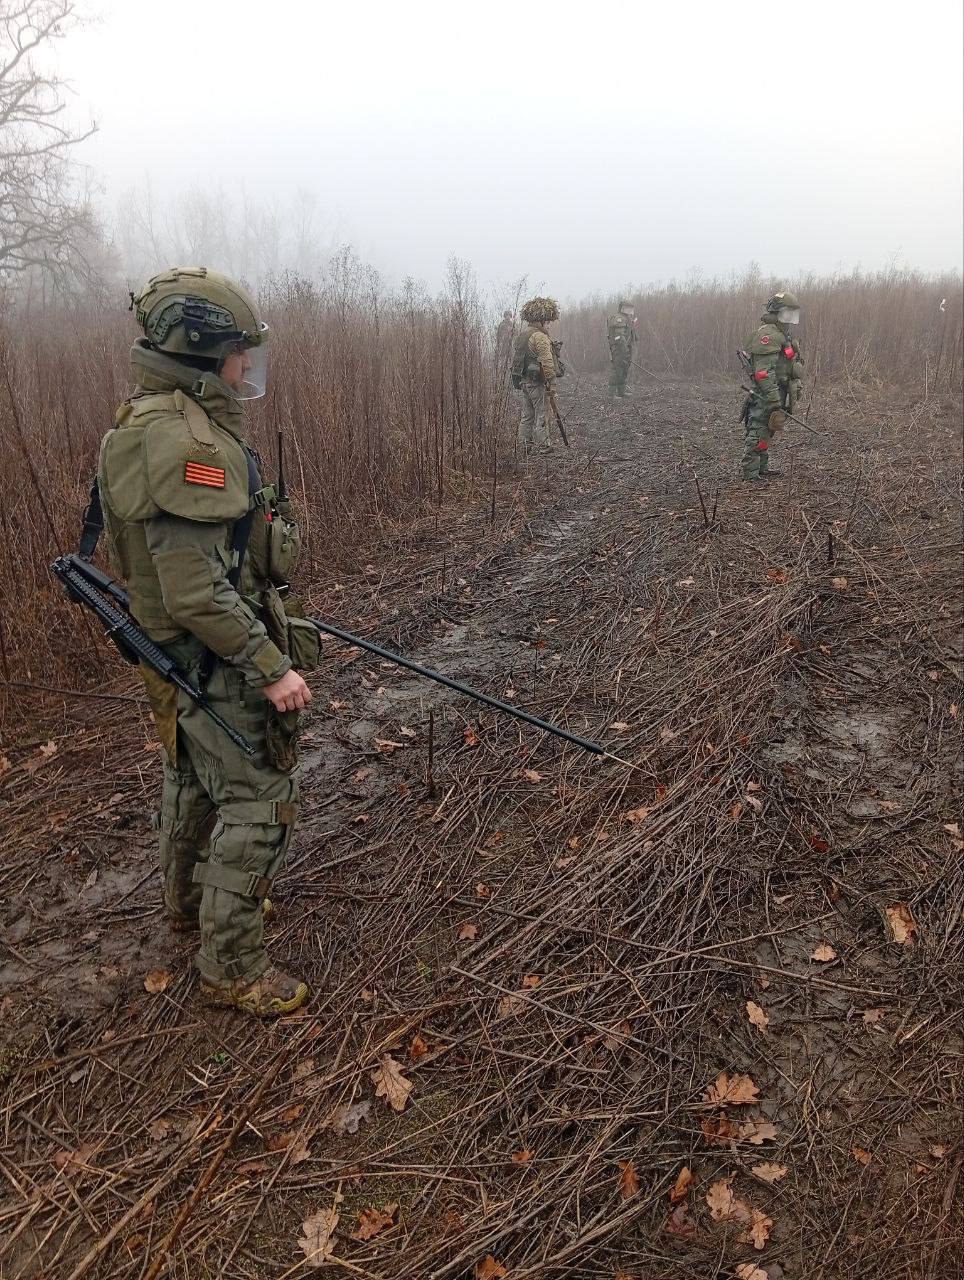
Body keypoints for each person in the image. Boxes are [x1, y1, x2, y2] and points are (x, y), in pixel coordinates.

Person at [97, 267, 317, 1016]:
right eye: (237, 353)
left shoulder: (145, 418)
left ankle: (190, 908)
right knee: (261, 798)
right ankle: (232, 966)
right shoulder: (189, 439)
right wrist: (270, 666)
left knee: (191, 780)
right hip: (209, 655)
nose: (246, 367)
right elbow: (195, 590)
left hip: (178, 654)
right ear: (203, 354)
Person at [741, 290, 804, 483]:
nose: (790, 318)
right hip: (767, 393)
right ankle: (750, 473)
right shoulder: (768, 335)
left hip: (778, 390)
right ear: (776, 312)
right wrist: (773, 397)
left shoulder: (782, 334)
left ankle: (762, 468)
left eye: (793, 313)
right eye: (786, 312)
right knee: (758, 428)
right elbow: (763, 373)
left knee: (769, 429)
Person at [510, 296, 562, 453]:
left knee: (527, 414)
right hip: (536, 383)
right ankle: (544, 445)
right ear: (540, 321)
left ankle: (525, 445)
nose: (549, 325)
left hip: (523, 381)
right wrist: (552, 383)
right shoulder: (539, 337)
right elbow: (547, 361)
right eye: (547, 322)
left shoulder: (522, 335)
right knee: (542, 413)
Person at [607, 299, 638, 397]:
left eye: (630, 308)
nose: (629, 311)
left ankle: (621, 392)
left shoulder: (627, 319)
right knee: (616, 369)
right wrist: (623, 349)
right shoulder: (618, 318)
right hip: (618, 348)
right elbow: (619, 336)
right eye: (627, 308)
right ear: (622, 308)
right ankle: (611, 394)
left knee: (624, 369)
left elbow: (631, 334)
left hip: (626, 348)